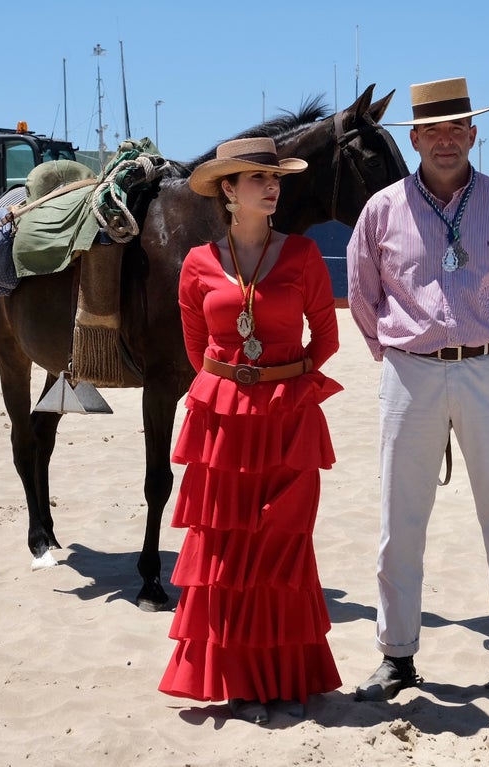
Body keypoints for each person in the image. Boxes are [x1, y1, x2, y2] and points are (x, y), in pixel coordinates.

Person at [345, 77, 489, 706]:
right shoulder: (383, 210)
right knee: (400, 520)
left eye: (457, 130)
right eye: (433, 132)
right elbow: (362, 295)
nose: (445, 141)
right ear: (414, 138)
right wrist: (396, 356)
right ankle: (397, 658)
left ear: (474, 135)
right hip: (409, 372)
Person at [158, 137, 344, 724]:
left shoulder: (305, 255)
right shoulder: (197, 264)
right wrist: (235, 381)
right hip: (222, 425)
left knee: (282, 549)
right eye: (257, 177)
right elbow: (195, 347)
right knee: (229, 552)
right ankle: (238, 681)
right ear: (228, 192)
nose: (272, 186)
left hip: (289, 418)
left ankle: (288, 679)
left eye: (276, 177)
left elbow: (328, 339)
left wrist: (285, 381)